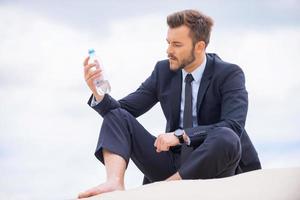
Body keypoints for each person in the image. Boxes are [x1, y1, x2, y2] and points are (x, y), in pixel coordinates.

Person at [78, 9, 261, 199]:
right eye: (168, 43)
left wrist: (181, 136)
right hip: (171, 163)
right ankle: (114, 182)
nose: (168, 51)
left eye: (177, 44)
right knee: (116, 115)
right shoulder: (163, 71)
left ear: (199, 47)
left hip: (215, 165)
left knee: (227, 136)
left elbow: (233, 126)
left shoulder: (229, 74)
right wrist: (97, 92)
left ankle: (167, 190)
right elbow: (120, 112)